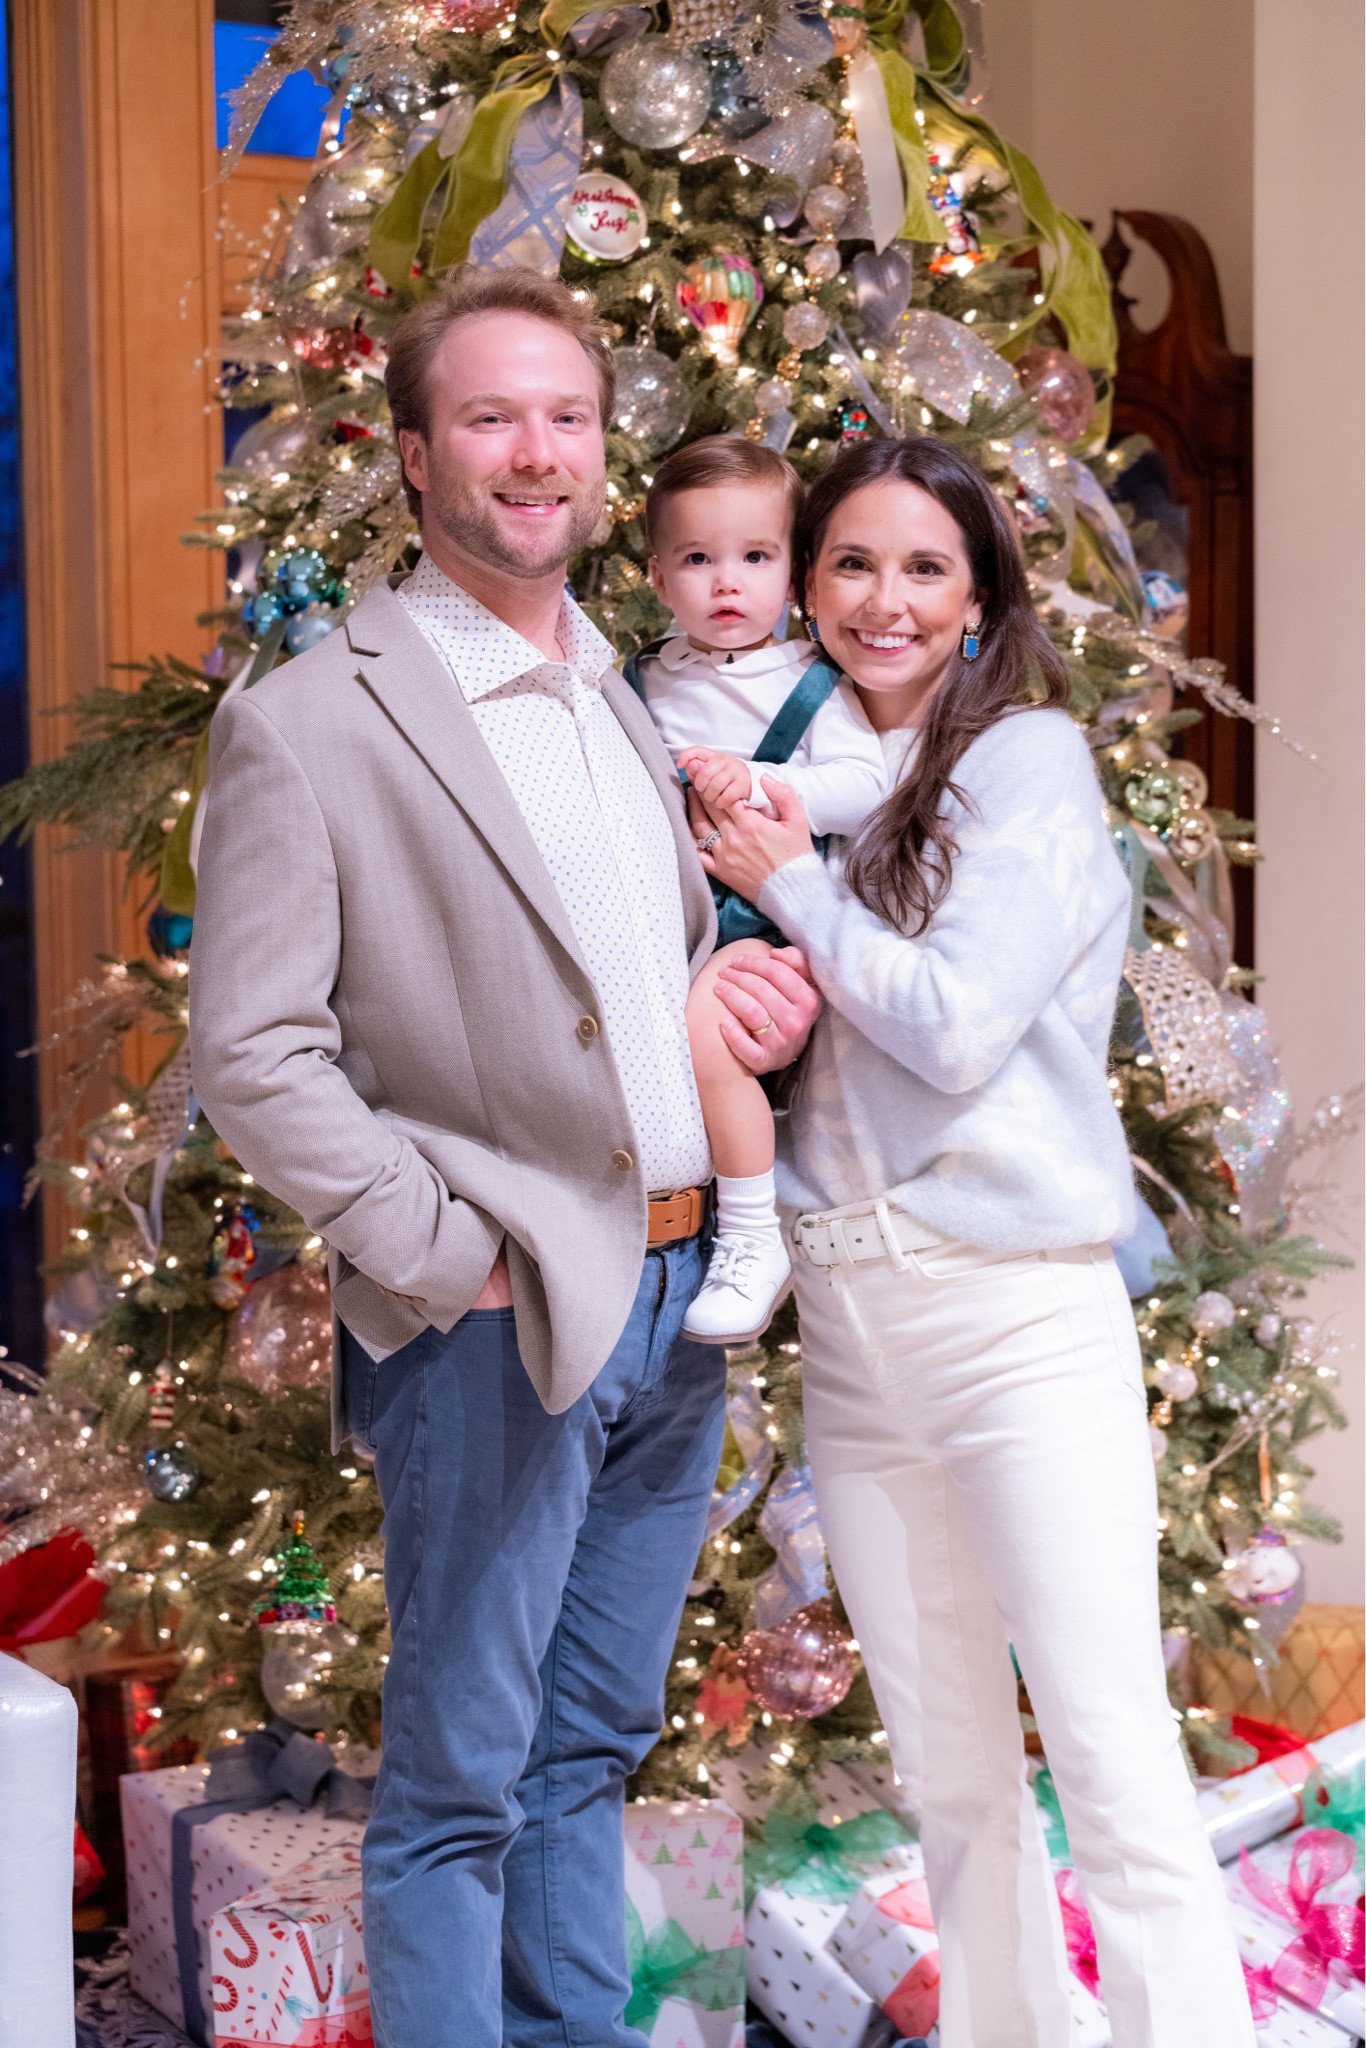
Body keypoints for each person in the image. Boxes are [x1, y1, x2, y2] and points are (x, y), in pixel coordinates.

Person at [188, 264, 819, 2048]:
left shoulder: (625, 696)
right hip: (500, 1315)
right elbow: (251, 1045)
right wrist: (437, 1243)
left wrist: (732, 1004)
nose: (535, 454)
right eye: (489, 417)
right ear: (413, 455)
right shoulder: (310, 720)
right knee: (462, 1778)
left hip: (684, 1280)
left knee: (590, 1746)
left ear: (603, 451)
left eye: (567, 417)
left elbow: (611, 985)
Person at [693, 438, 1257, 2047]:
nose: (883, 600)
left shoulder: (1024, 764)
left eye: (924, 567)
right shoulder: (786, 765)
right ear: (805, 583)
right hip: (855, 1327)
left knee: (1105, 1753)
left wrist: (788, 886)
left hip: (1013, 1314)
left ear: (979, 594)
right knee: (946, 1775)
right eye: (849, 564)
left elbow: (951, 1029)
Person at [627, 437, 888, 1345]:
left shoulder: (815, 684)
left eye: (755, 557)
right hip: (662, 920)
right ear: (658, 576)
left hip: (762, 921)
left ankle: (747, 1231)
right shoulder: (639, 682)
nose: (726, 582)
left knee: (710, 1025)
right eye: (699, 559)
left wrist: (761, 784)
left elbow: (869, 784)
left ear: (795, 571)